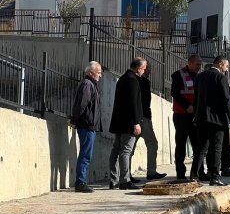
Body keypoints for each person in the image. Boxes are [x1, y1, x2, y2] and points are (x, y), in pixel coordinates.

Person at [190, 55, 230, 186]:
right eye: (227, 66)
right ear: (221, 64)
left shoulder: (200, 76)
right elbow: (226, 99)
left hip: (201, 118)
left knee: (201, 148)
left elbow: (196, 97)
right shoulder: (220, 77)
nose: (227, 69)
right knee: (217, 148)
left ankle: (194, 175)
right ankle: (214, 177)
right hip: (217, 119)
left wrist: (196, 114)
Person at [108, 58, 146, 190]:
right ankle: (124, 180)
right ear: (138, 68)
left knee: (116, 149)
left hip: (119, 122)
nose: (144, 70)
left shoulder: (123, 78)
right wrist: (136, 122)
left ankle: (114, 180)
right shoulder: (132, 80)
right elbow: (133, 103)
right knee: (125, 151)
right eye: (143, 68)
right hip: (128, 123)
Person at [70, 61, 103, 193]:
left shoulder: (90, 85)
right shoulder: (87, 84)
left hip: (89, 125)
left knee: (86, 154)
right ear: (90, 72)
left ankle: (82, 181)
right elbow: (82, 104)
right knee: (85, 155)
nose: (100, 76)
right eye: (98, 72)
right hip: (86, 125)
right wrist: (74, 119)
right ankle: (80, 182)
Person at [130, 62, 167, 181]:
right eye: (147, 69)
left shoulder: (134, 80)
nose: (149, 71)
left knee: (130, 146)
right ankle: (151, 172)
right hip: (143, 118)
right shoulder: (141, 81)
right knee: (151, 143)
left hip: (138, 117)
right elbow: (143, 102)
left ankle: (126, 175)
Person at [171, 55, 202, 180]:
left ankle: (197, 172)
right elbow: (174, 92)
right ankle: (180, 173)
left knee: (198, 145)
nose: (199, 67)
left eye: (200, 65)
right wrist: (186, 106)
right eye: (197, 64)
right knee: (181, 145)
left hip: (195, 115)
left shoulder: (199, 76)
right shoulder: (178, 75)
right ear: (189, 63)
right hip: (181, 115)